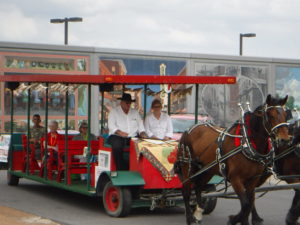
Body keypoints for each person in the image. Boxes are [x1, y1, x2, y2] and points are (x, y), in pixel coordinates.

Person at [108, 93, 147, 170]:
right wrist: (120, 132)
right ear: (121, 102)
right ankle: (120, 169)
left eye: (130, 103)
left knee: (143, 144)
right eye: (127, 103)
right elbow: (111, 126)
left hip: (132, 137)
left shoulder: (135, 112)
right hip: (117, 136)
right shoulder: (114, 112)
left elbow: (140, 126)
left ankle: (138, 168)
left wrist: (143, 134)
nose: (128, 104)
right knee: (117, 145)